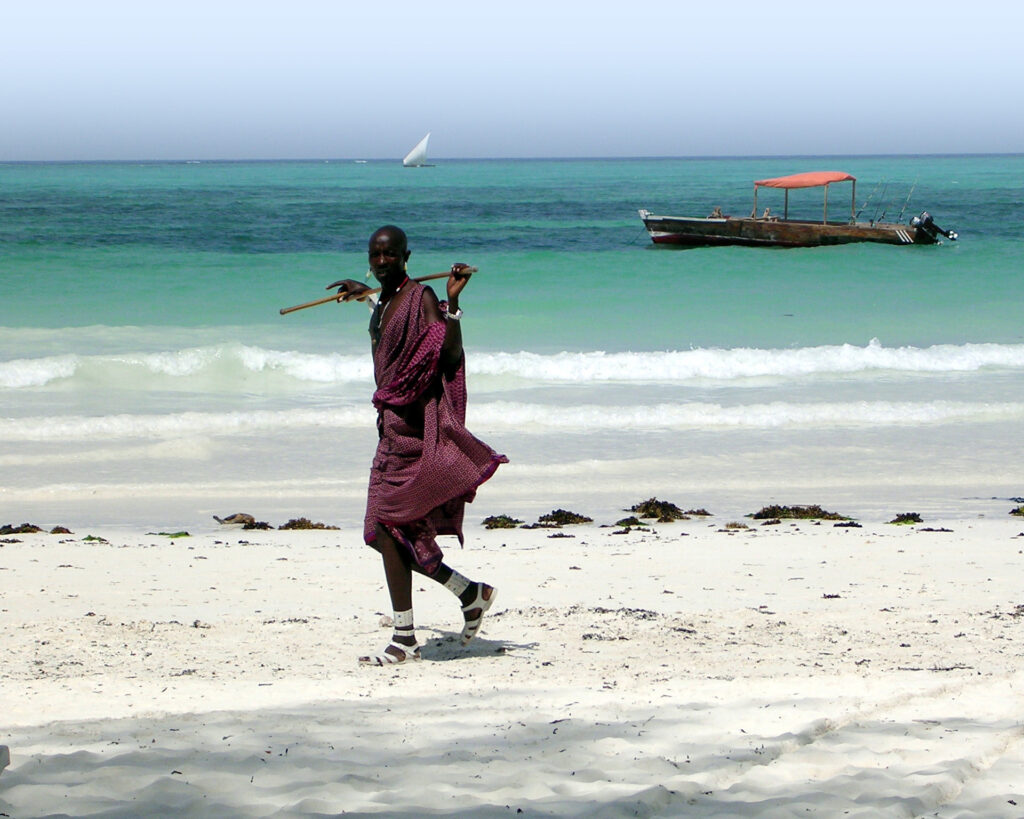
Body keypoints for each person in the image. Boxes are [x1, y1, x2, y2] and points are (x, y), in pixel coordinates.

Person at [328, 225, 507, 666]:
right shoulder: (386, 300)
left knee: (388, 527)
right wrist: (364, 294)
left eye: (390, 254)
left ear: (407, 256)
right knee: (386, 533)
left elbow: (445, 355)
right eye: (375, 255)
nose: (383, 261)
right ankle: (469, 593)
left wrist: (455, 304)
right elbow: (388, 321)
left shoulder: (423, 298)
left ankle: (405, 637)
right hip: (388, 430)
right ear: (368, 259)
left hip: (411, 432)